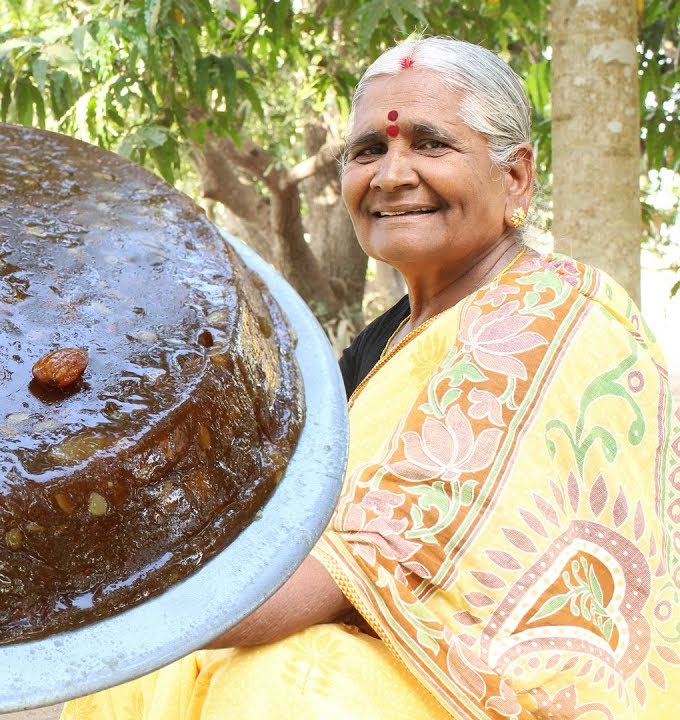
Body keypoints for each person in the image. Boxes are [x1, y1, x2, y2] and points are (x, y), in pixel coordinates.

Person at [62, 37, 680, 720]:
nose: (392, 174)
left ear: (517, 179)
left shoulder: (552, 309)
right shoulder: (386, 343)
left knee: (292, 683)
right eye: (368, 151)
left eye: (430, 143)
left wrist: (102, 603)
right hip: (387, 650)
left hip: (507, 696)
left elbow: (349, 568)